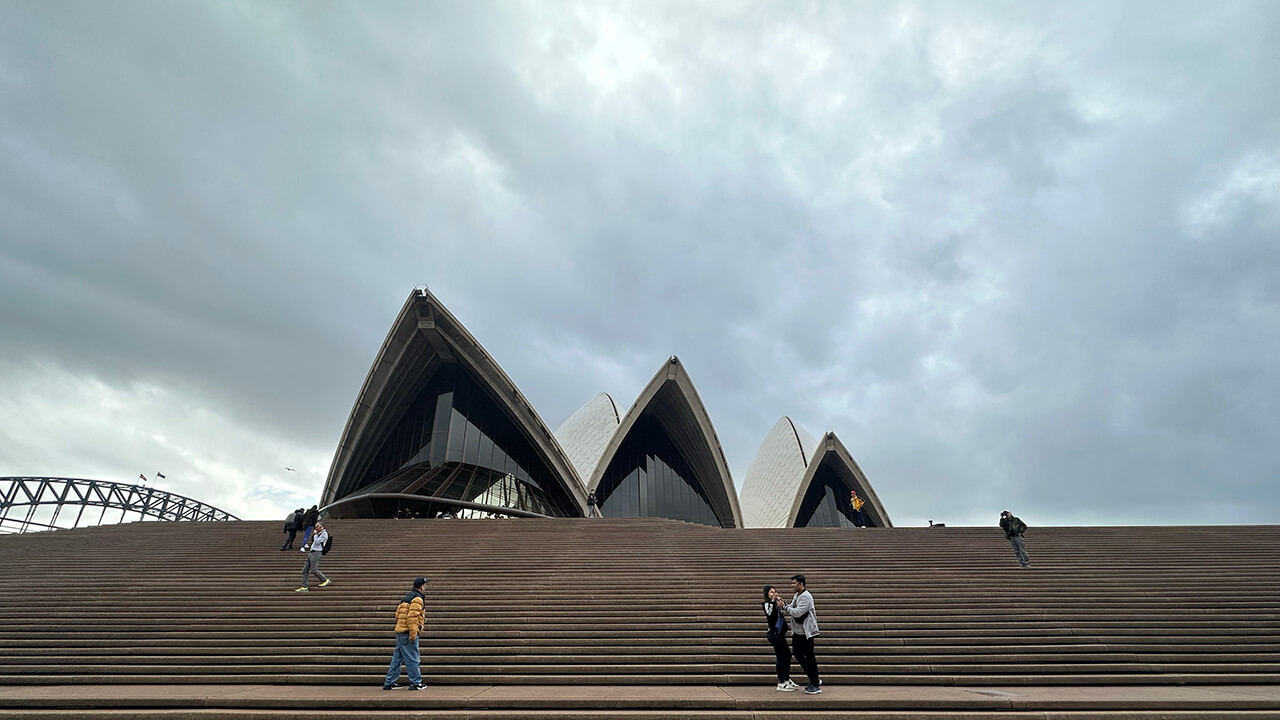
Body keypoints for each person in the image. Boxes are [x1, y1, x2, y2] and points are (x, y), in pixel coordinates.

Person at [383, 577, 429, 690]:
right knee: (412, 657)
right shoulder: (417, 598)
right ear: (421, 586)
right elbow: (412, 617)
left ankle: (390, 682)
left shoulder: (406, 597)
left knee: (397, 658)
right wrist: (413, 633)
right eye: (425, 585)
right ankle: (416, 682)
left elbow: (398, 614)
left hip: (400, 630)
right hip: (408, 631)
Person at [778, 574, 821, 694]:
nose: (792, 585)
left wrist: (785, 607)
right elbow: (792, 606)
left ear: (801, 584)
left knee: (809, 657)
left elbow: (797, 612)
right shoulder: (797, 595)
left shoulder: (806, 597)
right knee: (799, 654)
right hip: (798, 631)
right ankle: (814, 677)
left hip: (806, 632)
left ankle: (815, 682)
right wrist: (784, 603)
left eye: (794, 583)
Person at [762, 585, 799, 691]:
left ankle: (786, 679)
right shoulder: (767, 604)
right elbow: (769, 614)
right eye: (771, 592)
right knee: (780, 656)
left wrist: (781, 604)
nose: (774, 594)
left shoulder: (776, 605)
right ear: (767, 594)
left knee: (787, 655)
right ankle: (781, 681)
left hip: (780, 634)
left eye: (775, 591)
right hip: (774, 634)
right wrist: (773, 602)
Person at [295, 522, 331, 592]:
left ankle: (325, 580)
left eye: (317, 527)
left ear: (321, 527)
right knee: (305, 570)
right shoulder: (318, 534)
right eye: (315, 527)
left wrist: (315, 535)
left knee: (313, 569)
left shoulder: (324, 534)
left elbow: (318, 542)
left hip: (317, 552)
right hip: (312, 552)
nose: (315, 528)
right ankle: (304, 586)